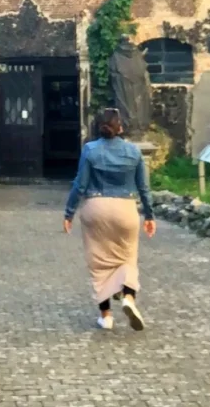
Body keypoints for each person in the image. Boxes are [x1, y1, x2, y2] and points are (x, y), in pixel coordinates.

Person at [63, 108, 156, 331]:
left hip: (96, 208)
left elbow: (80, 184)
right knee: (128, 258)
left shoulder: (90, 150)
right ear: (120, 127)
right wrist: (149, 215)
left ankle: (106, 316)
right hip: (125, 208)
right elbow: (144, 187)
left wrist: (69, 212)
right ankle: (129, 298)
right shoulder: (133, 152)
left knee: (99, 263)